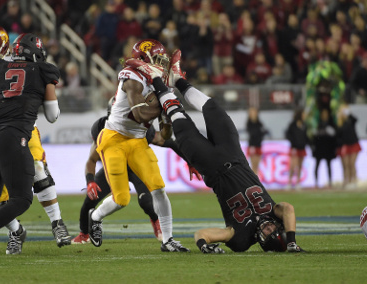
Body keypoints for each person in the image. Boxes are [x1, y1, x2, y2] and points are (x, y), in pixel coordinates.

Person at [124, 49, 304, 253]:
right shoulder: (276, 213)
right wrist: (290, 241)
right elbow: (288, 208)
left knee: (178, 114)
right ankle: (176, 79)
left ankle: (155, 77)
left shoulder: (241, 240)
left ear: (262, 240)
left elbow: (202, 234)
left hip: (211, 167)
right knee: (212, 107)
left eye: (268, 233)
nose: (269, 226)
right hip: (234, 154)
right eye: (274, 228)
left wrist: (203, 246)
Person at [0, 25, 72, 254]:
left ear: (4, 48)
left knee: (37, 169)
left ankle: (57, 223)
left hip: (20, 129)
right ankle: (15, 231)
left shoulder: (10, 65)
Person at [88, 39, 190, 252]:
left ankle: (168, 240)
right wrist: (164, 106)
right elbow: (138, 113)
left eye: (164, 60)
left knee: (159, 188)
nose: (162, 65)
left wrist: (167, 116)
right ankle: (95, 217)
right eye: (158, 60)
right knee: (121, 199)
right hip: (114, 138)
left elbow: (164, 133)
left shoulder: (157, 82)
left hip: (138, 140)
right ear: (145, 59)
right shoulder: (131, 76)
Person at [72, 105, 201, 244]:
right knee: (91, 200)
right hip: (113, 165)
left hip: (135, 166)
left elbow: (169, 142)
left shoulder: (139, 127)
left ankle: (156, 222)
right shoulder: (102, 129)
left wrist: (190, 161)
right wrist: (90, 181)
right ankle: (84, 233)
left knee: (147, 202)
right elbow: (91, 159)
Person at [336, 104, 361, 189]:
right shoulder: (341, 123)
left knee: (352, 163)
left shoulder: (351, 120)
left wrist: (349, 114)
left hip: (354, 144)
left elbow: (356, 119)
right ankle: (347, 180)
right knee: (346, 165)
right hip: (346, 145)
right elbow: (339, 134)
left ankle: (353, 180)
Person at [311, 108, 337, 188]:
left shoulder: (331, 124)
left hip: (328, 147)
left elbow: (335, 135)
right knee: (317, 165)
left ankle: (330, 182)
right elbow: (314, 137)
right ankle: (316, 183)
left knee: (328, 165)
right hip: (319, 148)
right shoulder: (317, 124)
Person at [285, 108, 309, 191]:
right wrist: (293, 142)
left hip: (302, 148)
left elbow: (305, 136)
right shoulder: (292, 124)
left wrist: (306, 142)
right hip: (295, 148)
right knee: (293, 166)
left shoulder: (304, 125)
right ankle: (289, 182)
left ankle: (298, 182)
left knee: (299, 166)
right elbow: (288, 134)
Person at [246, 107, 269, 175]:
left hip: (258, 145)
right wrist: (261, 133)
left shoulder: (259, 123)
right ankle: (254, 181)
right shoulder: (249, 123)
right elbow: (253, 133)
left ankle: (256, 179)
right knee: (253, 164)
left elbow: (262, 131)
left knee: (257, 165)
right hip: (253, 145)